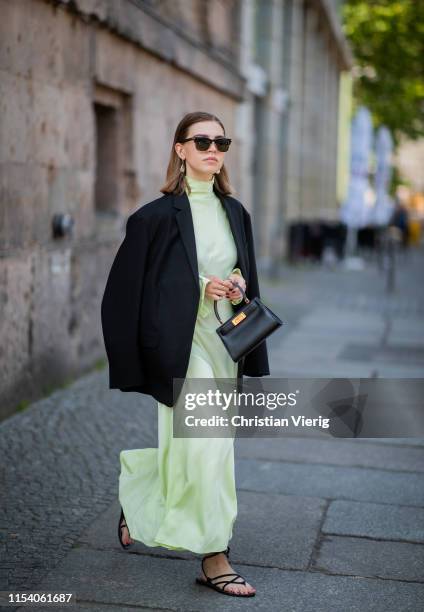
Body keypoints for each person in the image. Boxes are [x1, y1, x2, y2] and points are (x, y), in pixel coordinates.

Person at [101, 111, 269, 598]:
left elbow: (245, 279)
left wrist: (235, 287)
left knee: (198, 447)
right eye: (202, 141)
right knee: (207, 446)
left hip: (224, 342)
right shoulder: (153, 217)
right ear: (180, 149)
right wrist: (199, 286)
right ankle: (215, 558)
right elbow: (129, 291)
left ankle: (139, 499)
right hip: (180, 343)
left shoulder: (236, 212)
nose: (213, 149)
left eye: (221, 142)